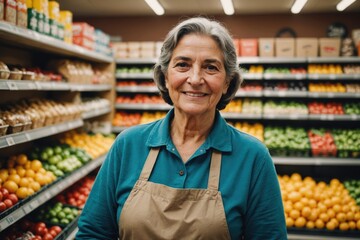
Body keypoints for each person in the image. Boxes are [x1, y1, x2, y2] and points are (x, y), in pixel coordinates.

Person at [76, 17, 287, 239]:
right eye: (182, 65)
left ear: (227, 82)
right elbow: (93, 232)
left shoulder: (252, 157)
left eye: (210, 67)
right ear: (165, 76)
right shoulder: (128, 145)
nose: (195, 79)